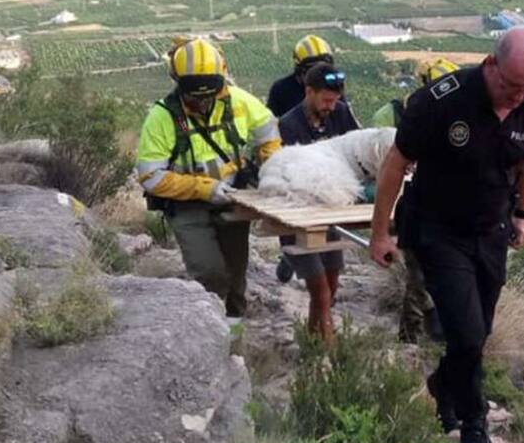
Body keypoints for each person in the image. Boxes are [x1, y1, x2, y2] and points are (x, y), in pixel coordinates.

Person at [368, 27, 524, 443]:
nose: (517, 96)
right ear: (491, 64)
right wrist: (379, 233)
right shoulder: (439, 102)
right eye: (510, 86)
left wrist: (523, 215)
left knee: (478, 331)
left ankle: (442, 384)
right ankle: (474, 425)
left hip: (490, 232)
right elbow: (395, 163)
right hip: (437, 230)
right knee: (466, 335)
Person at [136, 37, 281, 317]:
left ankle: (235, 335)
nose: (202, 102)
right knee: (209, 273)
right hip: (188, 206)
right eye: (194, 95)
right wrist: (203, 188)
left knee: (236, 275)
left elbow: (269, 132)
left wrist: (271, 166)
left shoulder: (238, 101)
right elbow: (151, 177)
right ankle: (210, 327)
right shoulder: (162, 117)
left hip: (231, 199)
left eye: (209, 94)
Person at [370, 56, 460, 343]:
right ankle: (410, 340)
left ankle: (435, 336)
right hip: (414, 206)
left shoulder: (455, 117)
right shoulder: (398, 116)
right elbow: (383, 162)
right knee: (419, 279)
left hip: (444, 209)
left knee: (439, 279)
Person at [277, 63, 361, 342]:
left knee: (332, 282)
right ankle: (327, 343)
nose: (331, 106)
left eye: (335, 100)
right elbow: (294, 173)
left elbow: (356, 146)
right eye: (326, 100)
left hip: (331, 212)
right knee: (320, 290)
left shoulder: (341, 113)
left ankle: (314, 339)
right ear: (308, 91)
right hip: (298, 217)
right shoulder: (288, 125)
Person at [267, 34, 346, 283]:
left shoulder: (333, 94)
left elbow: (345, 127)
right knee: (295, 224)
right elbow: (271, 130)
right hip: (293, 160)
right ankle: (291, 255)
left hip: (326, 164)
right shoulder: (282, 91)